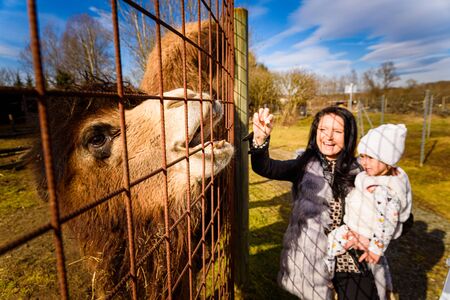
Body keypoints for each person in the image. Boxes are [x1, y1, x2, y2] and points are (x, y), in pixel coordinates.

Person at [248, 106, 381, 299]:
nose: (328, 137)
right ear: (315, 132)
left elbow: (398, 214)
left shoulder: (363, 171)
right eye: (323, 130)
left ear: (349, 135)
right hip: (311, 258)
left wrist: (373, 237)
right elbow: (266, 168)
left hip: (350, 258)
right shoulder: (304, 165)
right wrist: (260, 140)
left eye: (337, 131)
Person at [325, 124, 413, 298]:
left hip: (360, 232)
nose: (363, 162)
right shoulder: (375, 178)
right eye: (363, 156)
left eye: (370, 158)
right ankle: (387, 287)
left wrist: (375, 247)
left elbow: (386, 223)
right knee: (379, 264)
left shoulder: (385, 190)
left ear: (387, 160)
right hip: (356, 229)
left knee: (328, 247)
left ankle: (325, 278)